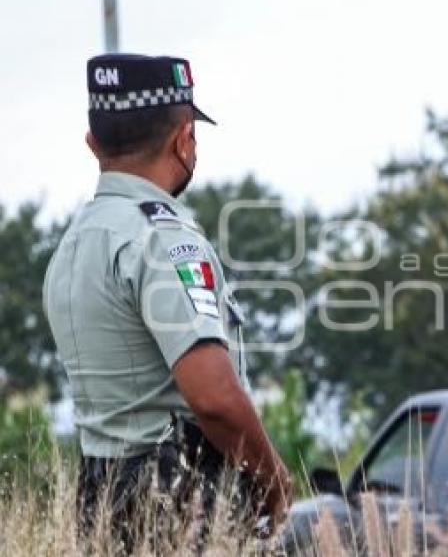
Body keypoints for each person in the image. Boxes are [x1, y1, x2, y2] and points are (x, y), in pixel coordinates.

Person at [43, 54, 291, 550]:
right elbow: (214, 399)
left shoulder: (71, 246)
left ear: (93, 144)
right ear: (183, 138)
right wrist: (274, 480)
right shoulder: (162, 238)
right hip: (173, 504)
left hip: (97, 501)